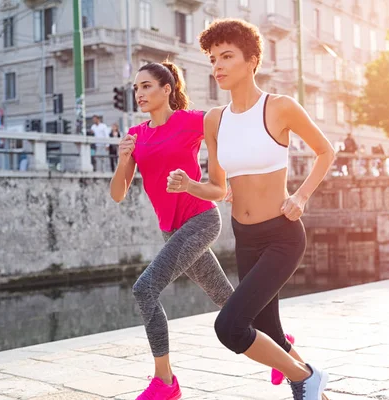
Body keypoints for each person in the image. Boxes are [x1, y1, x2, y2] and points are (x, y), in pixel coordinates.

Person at [167, 19, 335, 400]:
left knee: (231, 327)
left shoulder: (279, 108)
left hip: (281, 235)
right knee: (270, 332)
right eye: (213, 59)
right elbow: (218, 187)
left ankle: (306, 377)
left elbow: (326, 151)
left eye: (227, 56)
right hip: (245, 238)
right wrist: (191, 186)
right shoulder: (215, 120)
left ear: (252, 61)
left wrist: (302, 196)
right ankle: (315, 392)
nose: (217, 66)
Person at [110, 61, 234, 400]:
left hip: (202, 220)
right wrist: (123, 160)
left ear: (167, 90)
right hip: (171, 231)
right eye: (136, 88)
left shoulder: (189, 121)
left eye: (147, 86)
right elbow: (118, 195)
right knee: (226, 299)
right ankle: (279, 343)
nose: (140, 93)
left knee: (144, 289)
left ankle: (165, 383)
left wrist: (234, 178)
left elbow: (227, 123)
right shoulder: (136, 135)